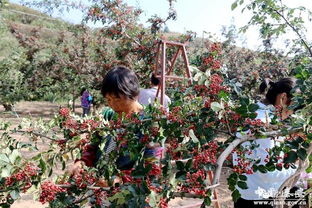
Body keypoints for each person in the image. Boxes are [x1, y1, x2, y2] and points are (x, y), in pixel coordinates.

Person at [71, 66, 162, 175]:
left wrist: (120, 179)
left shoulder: (149, 123)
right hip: (98, 184)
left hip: (127, 189)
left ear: (134, 95)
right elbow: (93, 146)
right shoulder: (108, 116)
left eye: (117, 99)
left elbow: (151, 167)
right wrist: (82, 162)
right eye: (108, 99)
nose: (113, 104)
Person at [233, 78, 299, 208]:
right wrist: (296, 168)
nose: (293, 114)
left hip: (250, 194)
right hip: (258, 199)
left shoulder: (256, 114)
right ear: (283, 98)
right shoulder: (264, 123)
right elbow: (266, 173)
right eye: (295, 109)